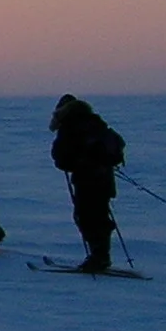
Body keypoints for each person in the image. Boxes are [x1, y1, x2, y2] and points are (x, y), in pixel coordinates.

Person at [48, 94, 125, 272]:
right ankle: (101, 256)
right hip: (105, 179)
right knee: (99, 216)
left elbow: (61, 158)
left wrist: (74, 162)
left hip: (86, 180)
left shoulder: (70, 127)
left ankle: (98, 258)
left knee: (86, 217)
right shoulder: (96, 124)